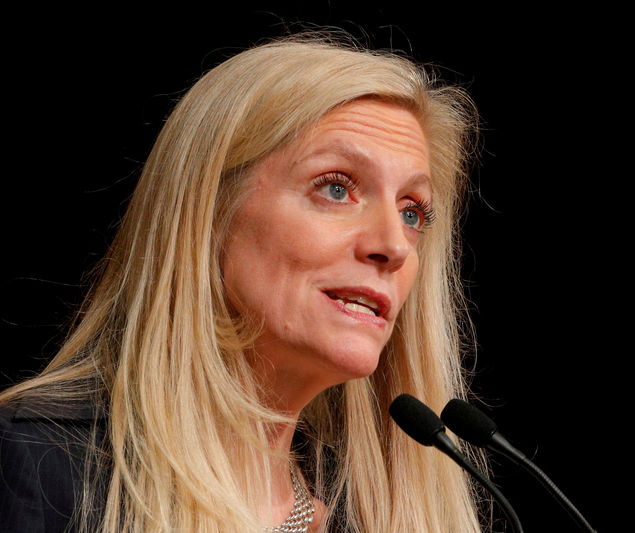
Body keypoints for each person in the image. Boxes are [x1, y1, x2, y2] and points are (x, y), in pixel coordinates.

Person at [0, 31, 486, 532]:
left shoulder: (369, 513)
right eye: (336, 187)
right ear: (208, 213)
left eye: (412, 212)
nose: (394, 245)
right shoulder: (31, 463)